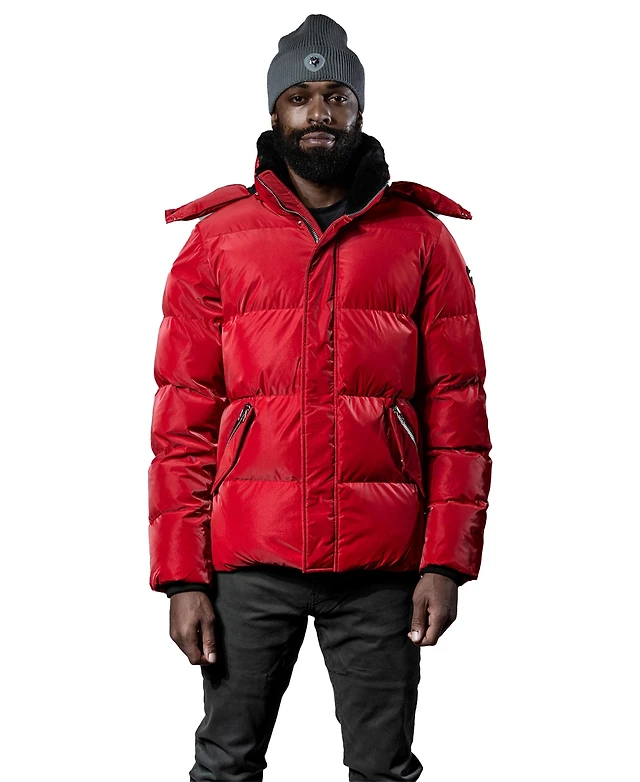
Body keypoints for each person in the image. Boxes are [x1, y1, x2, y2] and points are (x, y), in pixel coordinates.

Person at [148, 13, 492, 781]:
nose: (318, 113)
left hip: (382, 563)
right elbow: (182, 420)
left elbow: (458, 414)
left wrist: (446, 561)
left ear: (358, 111)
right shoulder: (218, 240)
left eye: (337, 97)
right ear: (275, 112)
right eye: (300, 98)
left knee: (382, 770)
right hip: (249, 557)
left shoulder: (421, 239)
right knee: (225, 764)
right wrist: (182, 576)